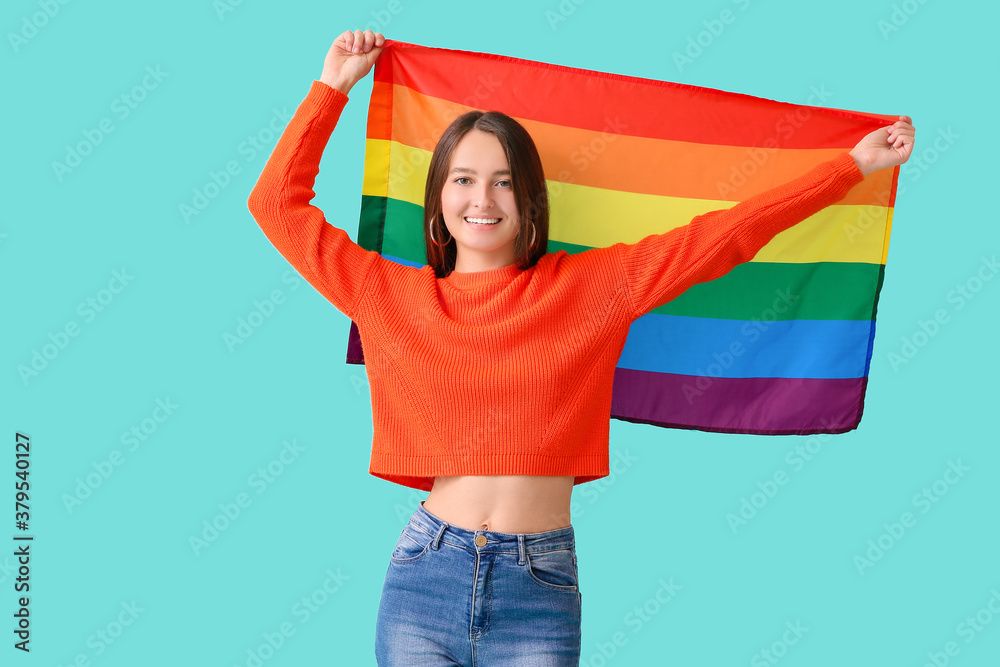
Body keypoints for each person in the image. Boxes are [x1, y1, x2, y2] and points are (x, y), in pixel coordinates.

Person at [247, 29, 914, 666]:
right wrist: (333, 85)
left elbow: (726, 235)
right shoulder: (386, 293)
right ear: (437, 204)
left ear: (530, 201)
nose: (483, 198)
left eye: (504, 180)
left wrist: (851, 166)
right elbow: (276, 204)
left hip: (538, 585)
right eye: (463, 179)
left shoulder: (593, 288)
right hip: (425, 575)